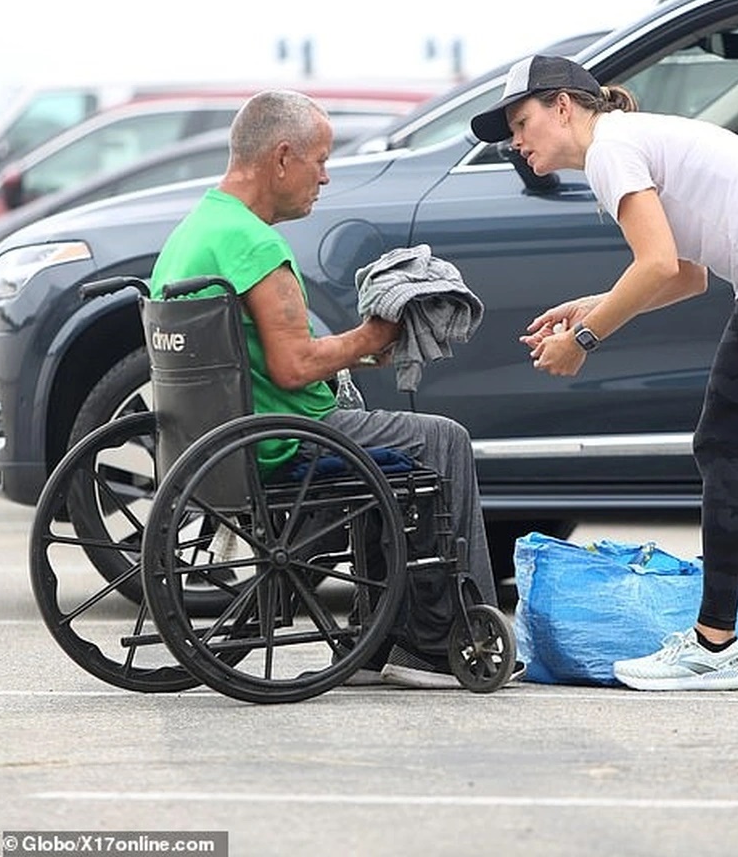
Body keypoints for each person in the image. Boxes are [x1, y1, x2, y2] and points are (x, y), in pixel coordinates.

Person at [470, 55, 738, 691]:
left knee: (720, 445)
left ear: (563, 106)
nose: (516, 143)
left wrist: (584, 338)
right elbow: (685, 273)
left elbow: (658, 265)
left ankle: (711, 645)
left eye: (521, 123)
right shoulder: (630, 142)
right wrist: (595, 304)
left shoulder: (611, 149)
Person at [151, 89, 514, 689]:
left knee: (387, 439)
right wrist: (377, 331)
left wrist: (356, 350)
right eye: (319, 160)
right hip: (284, 441)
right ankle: (437, 643)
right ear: (282, 157)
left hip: (217, 439)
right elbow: (293, 367)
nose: (324, 176)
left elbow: (264, 363)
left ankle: (382, 633)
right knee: (442, 441)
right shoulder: (253, 243)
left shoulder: (198, 229)